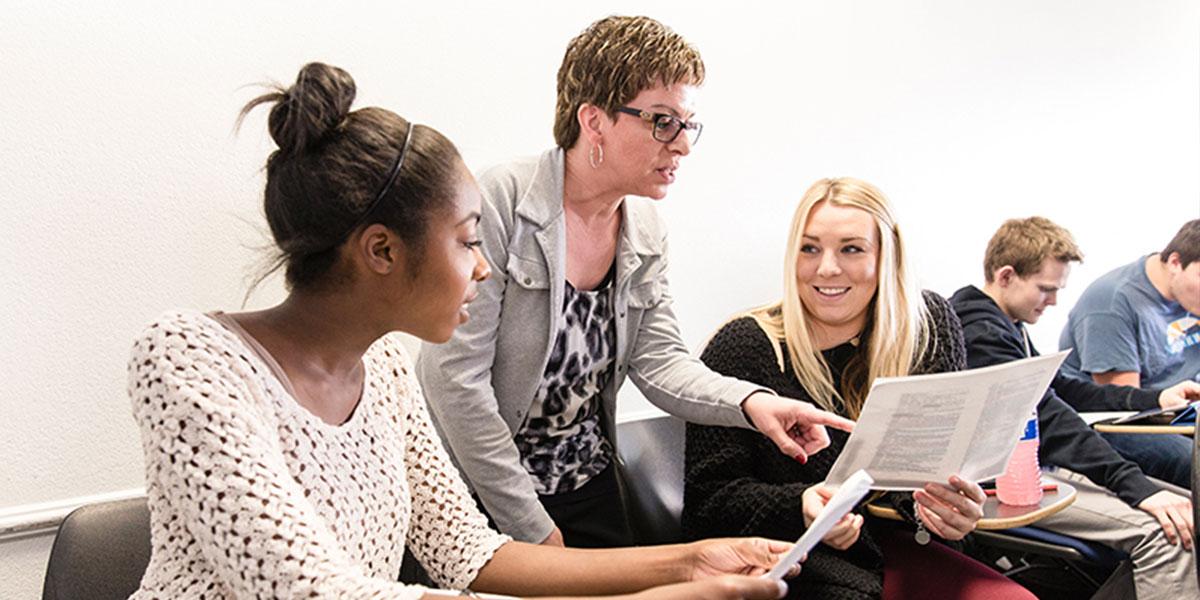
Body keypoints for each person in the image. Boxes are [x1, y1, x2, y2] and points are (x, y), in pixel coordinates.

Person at [127, 62, 803, 600]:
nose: (483, 269)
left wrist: (689, 562)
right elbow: (311, 590)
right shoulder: (189, 355)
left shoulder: (385, 369)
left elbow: (469, 552)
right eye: (467, 241)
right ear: (383, 252)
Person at [416, 16, 853, 549]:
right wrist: (531, 528)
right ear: (593, 119)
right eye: (662, 121)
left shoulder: (645, 229)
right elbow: (454, 381)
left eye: (687, 124)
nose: (683, 146)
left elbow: (661, 362)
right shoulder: (502, 201)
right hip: (483, 492)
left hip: (588, 483)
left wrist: (754, 404)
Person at [683, 178, 1035, 599]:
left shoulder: (927, 326)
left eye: (851, 249)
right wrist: (801, 505)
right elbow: (707, 506)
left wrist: (944, 512)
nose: (827, 268)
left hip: (901, 548)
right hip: (798, 562)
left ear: (886, 257)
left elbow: (933, 471)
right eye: (809, 248)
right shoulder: (745, 347)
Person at [949, 216, 1196, 599]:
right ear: (1006, 276)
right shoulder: (979, 332)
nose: (1054, 302)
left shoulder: (1007, 323)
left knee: (1186, 512)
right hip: (997, 487)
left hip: (1034, 469)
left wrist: (1155, 399)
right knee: (1168, 535)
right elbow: (1050, 417)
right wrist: (1136, 488)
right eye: (1045, 289)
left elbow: (1066, 389)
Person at [1059, 219, 1200, 389]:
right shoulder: (1110, 305)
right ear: (1175, 263)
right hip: (1148, 409)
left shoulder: (1187, 291)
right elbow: (1126, 401)